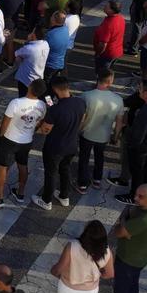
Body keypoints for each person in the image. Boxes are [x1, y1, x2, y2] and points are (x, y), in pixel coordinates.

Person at [0, 80, 47, 207]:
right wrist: (33, 130)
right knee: (22, 165)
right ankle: (20, 193)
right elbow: (41, 120)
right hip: (27, 140)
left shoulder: (16, 103)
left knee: (2, 166)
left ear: (30, 87)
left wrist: (1, 135)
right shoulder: (42, 105)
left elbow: (5, 122)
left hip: (10, 139)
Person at [33, 78, 86, 210]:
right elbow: (82, 119)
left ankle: (46, 200)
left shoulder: (55, 110)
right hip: (72, 144)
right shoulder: (80, 102)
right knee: (65, 170)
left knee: (51, 173)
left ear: (55, 90)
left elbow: (45, 130)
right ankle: (64, 196)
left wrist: (37, 125)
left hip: (55, 147)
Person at [76, 70, 123, 193]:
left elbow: (82, 117)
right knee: (99, 157)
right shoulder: (118, 99)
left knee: (84, 158)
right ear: (110, 81)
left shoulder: (86, 96)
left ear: (98, 78)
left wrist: (78, 130)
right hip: (104, 135)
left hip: (87, 133)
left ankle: (82, 184)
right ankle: (97, 179)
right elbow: (119, 121)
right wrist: (116, 136)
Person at [50, 220, 114, 293]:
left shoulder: (72, 246)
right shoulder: (106, 252)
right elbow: (109, 274)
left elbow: (58, 269)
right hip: (90, 291)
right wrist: (95, 275)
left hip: (69, 288)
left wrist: (54, 271)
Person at [92, 1, 125, 73]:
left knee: (102, 74)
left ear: (112, 10)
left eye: (106, 7)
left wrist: (98, 53)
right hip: (117, 52)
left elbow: (103, 44)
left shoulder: (108, 24)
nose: (104, 7)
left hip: (106, 54)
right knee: (108, 72)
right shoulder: (121, 18)